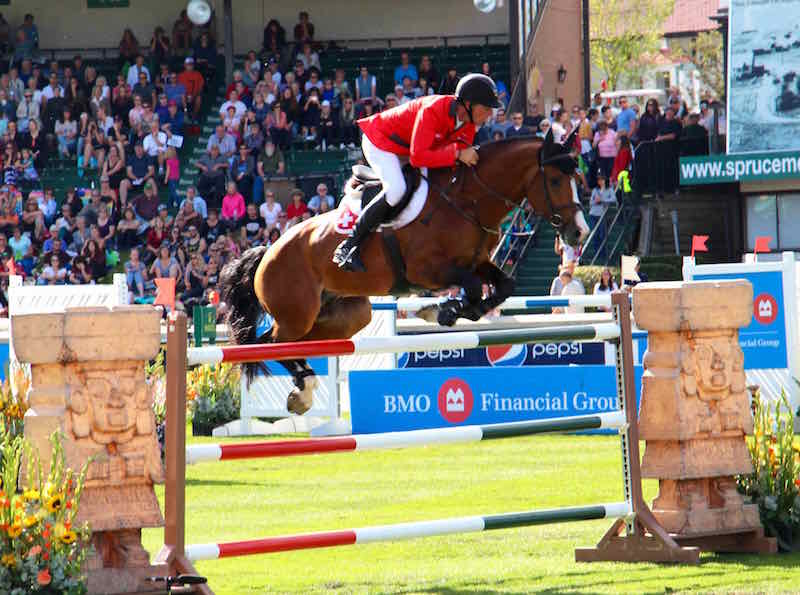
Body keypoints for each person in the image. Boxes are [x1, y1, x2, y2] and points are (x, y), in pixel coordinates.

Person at [332, 73, 499, 273]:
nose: (490, 114)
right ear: (469, 104)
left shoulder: (468, 125)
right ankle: (349, 245)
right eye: (487, 108)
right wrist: (457, 153)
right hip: (381, 142)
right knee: (397, 189)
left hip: (410, 149)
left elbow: (456, 164)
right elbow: (419, 158)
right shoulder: (432, 111)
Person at [588, 173, 616, 262]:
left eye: (602, 179)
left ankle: (604, 254)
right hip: (593, 214)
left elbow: (613, 199)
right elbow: (591, 202)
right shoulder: (595, 190)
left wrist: (602, 200)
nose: (600, 181)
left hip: (602, 215)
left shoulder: (609, 189)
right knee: (595, 235)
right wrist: (596, 201)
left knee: (602, 234)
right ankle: (597, 254)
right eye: (599, 180)